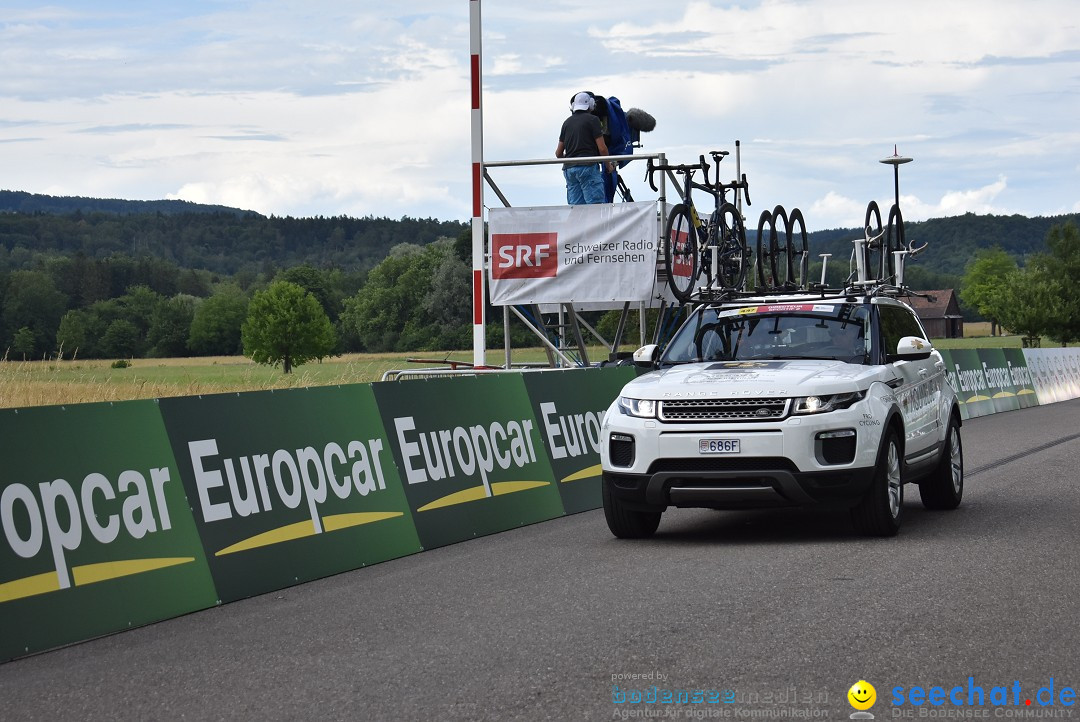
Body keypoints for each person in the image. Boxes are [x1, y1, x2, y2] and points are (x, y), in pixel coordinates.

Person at [555, 92, 614, 205]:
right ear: (591, 105)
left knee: (576, 209)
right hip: (588, 168)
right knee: (594, 207)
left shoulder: (566, 123)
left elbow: (558, 153)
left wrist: (571, 158)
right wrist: (608, 165)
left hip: (569, 170)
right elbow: (602, 149)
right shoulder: (593, 120)